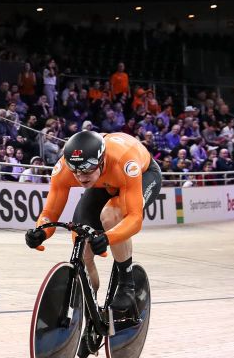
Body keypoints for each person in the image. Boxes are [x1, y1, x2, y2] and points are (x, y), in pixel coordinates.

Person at [25, 130, 162, 321]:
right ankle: (90, 315)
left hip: (142, 174)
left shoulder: (124, 162)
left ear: (101, 160)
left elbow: (134, 219)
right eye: (77, 172)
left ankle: (127, 285)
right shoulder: (65, 168)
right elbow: (49, 214)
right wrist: (41, 232)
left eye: (87, 169)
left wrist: (108, 237)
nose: (81, 177)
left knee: (111, 216)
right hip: (103, 182)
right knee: (81, 244)